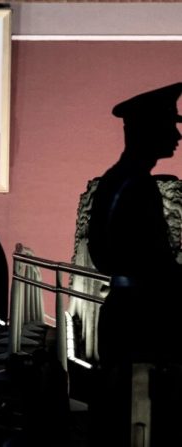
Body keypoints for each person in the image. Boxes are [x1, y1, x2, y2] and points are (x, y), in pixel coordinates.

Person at [86, 82, 182, 447]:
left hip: (125, 307)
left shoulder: (118, 180)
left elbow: (101, 253)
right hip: (143, 314)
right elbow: (154, 260)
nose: (177, 136)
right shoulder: (135, 184)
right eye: (169, 126)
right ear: (147, 130)